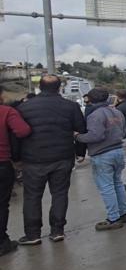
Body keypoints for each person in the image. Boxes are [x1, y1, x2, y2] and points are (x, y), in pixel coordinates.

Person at [17, 75, 86, 245]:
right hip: (62, 157)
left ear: (40, 87)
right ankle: (57, 231)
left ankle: (33, 235)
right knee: (60, 194)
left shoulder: (24, 108)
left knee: (32, 196)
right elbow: (81, 130)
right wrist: (80, 153)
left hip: (33, 160)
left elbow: (17, 135)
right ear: (59, 87)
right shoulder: (71, 106)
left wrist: (16, 158)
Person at [75, 88, 126, 231]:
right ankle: (123, 213)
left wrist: (77, 136)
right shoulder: (117, 112)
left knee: (106, 187)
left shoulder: (95, 115)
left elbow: (95, 136)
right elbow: (123, 131)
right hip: (118, 151)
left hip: (103, 154)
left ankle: (113, 218)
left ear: (90, 100)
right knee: (118, 183)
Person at [0, 86, 32, 257]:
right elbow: (22, 130)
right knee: (1, 204)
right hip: (2, 162)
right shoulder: (7, 111)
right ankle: (2, 242)